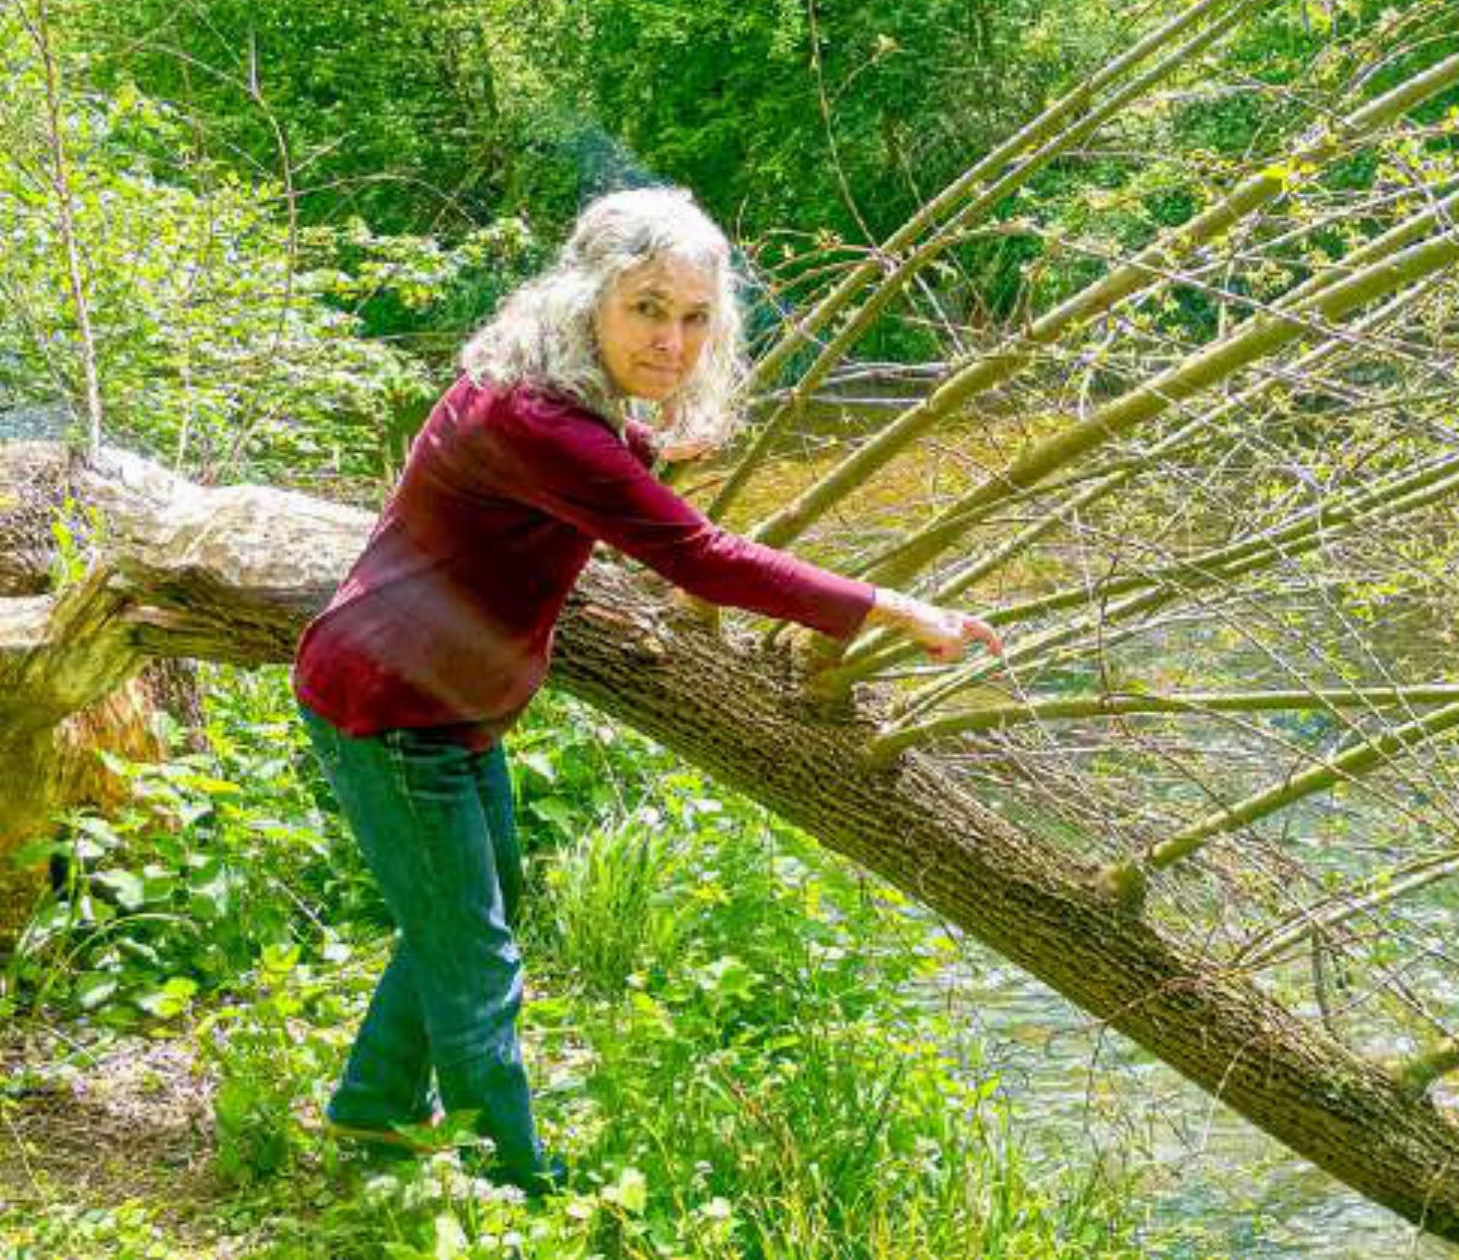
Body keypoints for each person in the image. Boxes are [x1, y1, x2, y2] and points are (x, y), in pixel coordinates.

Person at [291, 185, 1001, 1197]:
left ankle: (372, 1112)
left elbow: (573, 465)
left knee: (471, 915)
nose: (673, 341)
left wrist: (647, 450)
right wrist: (890, 604)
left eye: (696, 317)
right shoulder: (541, 421)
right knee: (475, 957)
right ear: (591, 298)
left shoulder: (531, 383)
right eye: (648, 309)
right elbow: (701, 558)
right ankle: (514, 1190)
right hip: (394, 709)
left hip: (433, 698)